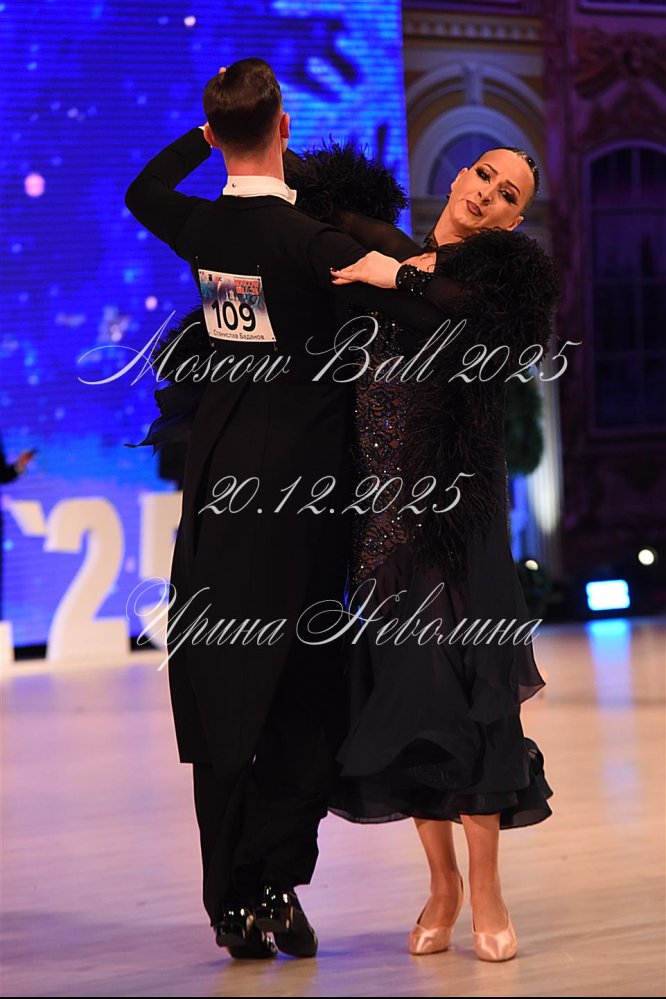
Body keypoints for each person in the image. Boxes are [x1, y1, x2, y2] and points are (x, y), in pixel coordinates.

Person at [123, 58, 422, 961]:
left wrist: (205, 135)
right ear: (285, 129)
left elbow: (143, 188)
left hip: (220, 492)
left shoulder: (200, 225)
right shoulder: (313, 244)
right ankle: (273, 880)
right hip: (301, 497)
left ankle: (235, 901)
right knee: (306, 690)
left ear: (217, 135)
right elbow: (408, 274)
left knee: (224, 696)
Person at [322, 146, 558, 962]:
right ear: (458, 177)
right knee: (408, 699)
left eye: (507, 192)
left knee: (471, 695)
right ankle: (442, 882)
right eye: (483, 175)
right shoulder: (387, 252)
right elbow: (334, 219)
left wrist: (399, 277)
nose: (488, 193)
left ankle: (486, 887)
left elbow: (472, 317)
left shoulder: (499, 285)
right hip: (380, 517)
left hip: (457, 519)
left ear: (513, 220)